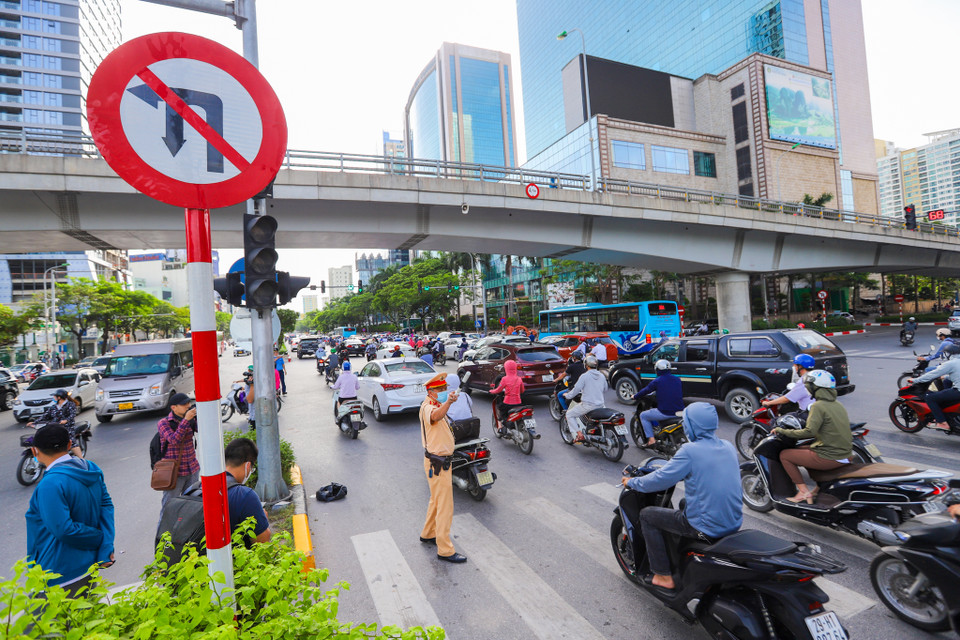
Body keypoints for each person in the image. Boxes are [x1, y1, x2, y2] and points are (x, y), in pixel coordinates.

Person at [621, 403, 741, 590]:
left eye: (686, 422)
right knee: (685, 502)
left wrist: (631, 482)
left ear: (692, 425)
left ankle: (662, 575)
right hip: (733, 521)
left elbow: (660, 480)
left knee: (647, 515)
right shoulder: (727, 446)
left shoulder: (690, 451)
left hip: (706, 526)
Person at [26, 424, 115, 596]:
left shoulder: (50, 484)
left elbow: (64, 530)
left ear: (34, 451)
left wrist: (99, 538)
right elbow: (106, 508)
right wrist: (105, 546)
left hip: (57, 572)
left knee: (43, 622)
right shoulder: (90, 468)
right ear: (69, 445)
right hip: (87, 565)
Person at [772, 370, 853, 503]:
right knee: (802, 449)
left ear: (815, 388)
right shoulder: (838, 404)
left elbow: (809, 432)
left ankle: (803, 493)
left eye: (809, 386)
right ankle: (817, 489)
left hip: (832, 456)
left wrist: (782, 431)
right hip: (846, 453)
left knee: (785, 455)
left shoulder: (817, 406)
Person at [419, 373, 467, 564]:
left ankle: (428, 533)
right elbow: (436, 417)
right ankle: (445, 549)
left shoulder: (435, 404)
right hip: (437, 464)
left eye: (445, 389)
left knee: (435, 501)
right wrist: (448, 403)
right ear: (431, 392)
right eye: (441, 390)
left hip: (439, 462)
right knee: (445, 506)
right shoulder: (428, 407)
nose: (444, 392)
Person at [156, 393, 200, 525]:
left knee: (191, 505)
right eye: (184, 404)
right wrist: (186, 420)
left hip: (192, 469)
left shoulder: (191, 419)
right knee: (169, 506)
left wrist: (198, 417)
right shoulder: (164, 423)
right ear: (173, 407)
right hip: (175, 473)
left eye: (188, 403)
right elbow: (174, 440)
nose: (188, 406)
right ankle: (162, 537)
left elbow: (204, 430)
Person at [223, 437, 271, 544]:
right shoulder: (244, 495)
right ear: (248, 466)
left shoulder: (195, 488)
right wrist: (263, 520)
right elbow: (263, 543)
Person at [632, 359, 685, 447]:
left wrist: (635, 396)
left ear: (657, 370)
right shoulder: (677, 379)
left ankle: (651, 440)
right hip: (680, 412)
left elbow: (646, 390)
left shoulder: (657, 381)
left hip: (666, 412)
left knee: (643, 415)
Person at [909, 355, 960, 430]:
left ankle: (942, 423)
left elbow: (932, 374)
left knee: (930, 398)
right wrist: (946, 377)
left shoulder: (951, 363)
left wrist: (915, 380)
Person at [563, 355, 607, 442]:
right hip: (601, 405)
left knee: (569, 414)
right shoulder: (601, 376)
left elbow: (576, 390)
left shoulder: (584, 376)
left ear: (586, 365)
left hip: (588, 405)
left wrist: (567, 395)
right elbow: (605, 389)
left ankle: (579, 434)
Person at [489, 359, 525, 432]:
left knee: (501, 412)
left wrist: (491, 391)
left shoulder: (504, 379)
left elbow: (498, 390)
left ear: (506, 368)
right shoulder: (519, 379)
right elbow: (522, 391)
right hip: (518, 403)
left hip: (507, 403)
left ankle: (501, 429)